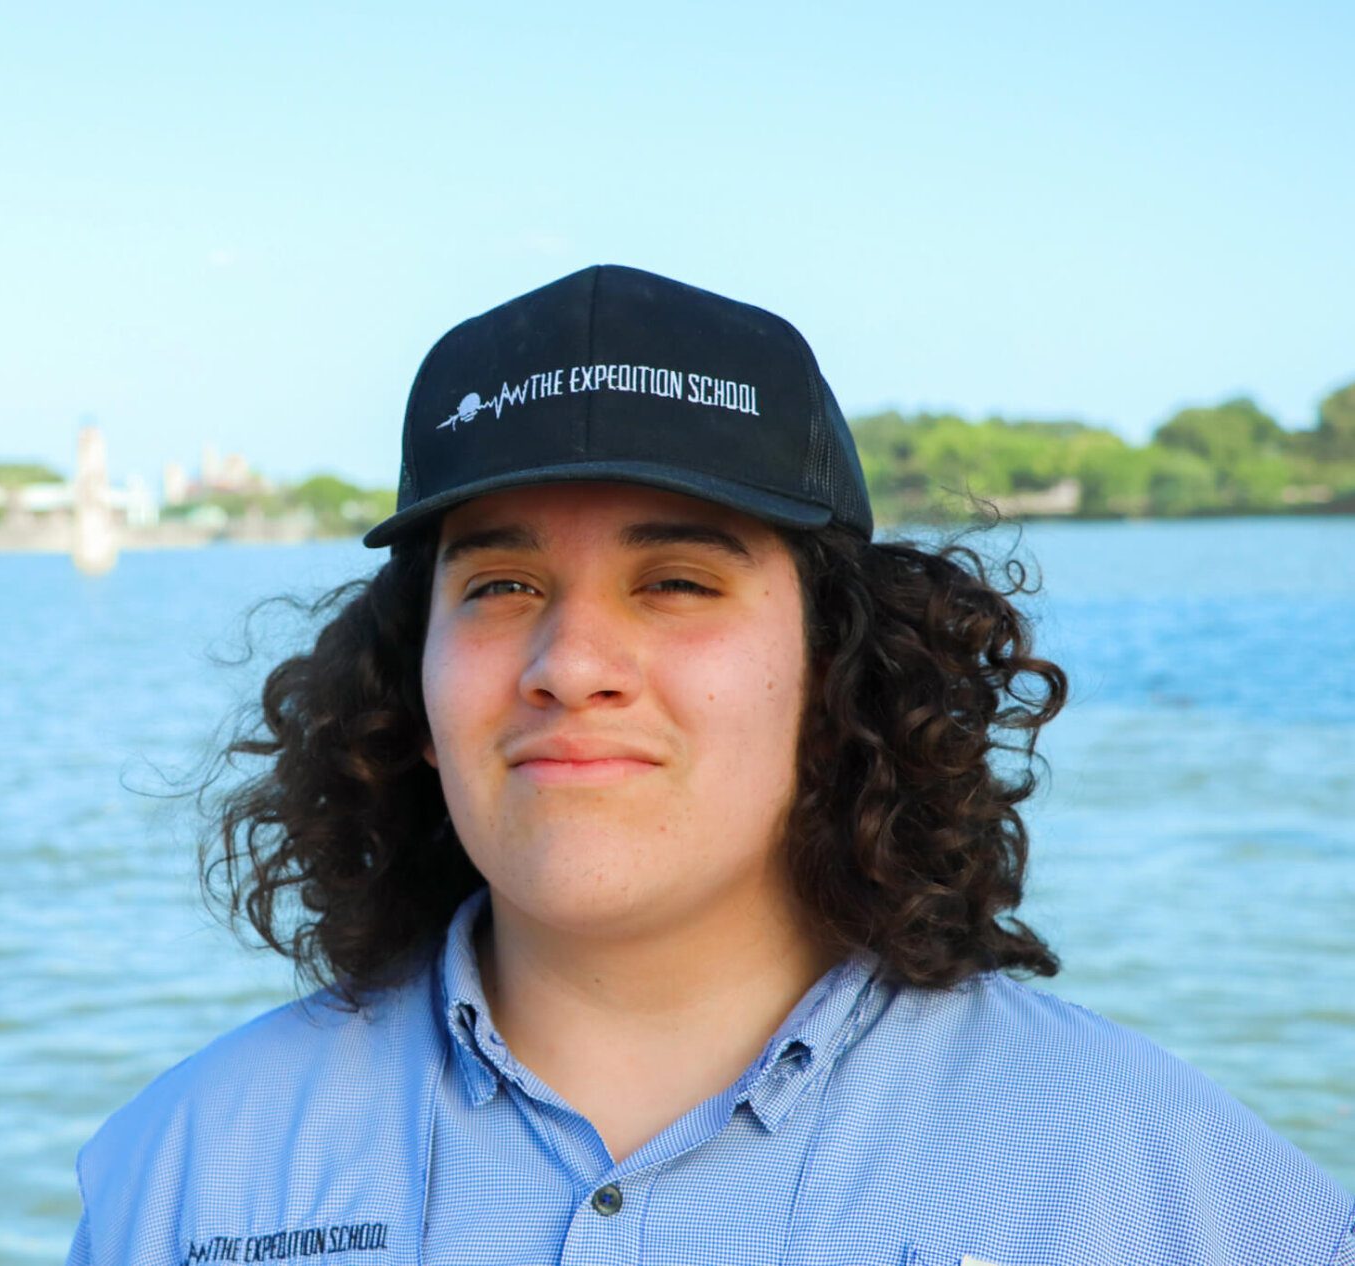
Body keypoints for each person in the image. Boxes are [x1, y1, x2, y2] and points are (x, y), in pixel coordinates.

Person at [67, 266, 1354, 1264]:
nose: (572, 664)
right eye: (502, 585)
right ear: (410, 681)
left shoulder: (1167, 1186)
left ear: (837, 670)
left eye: (676, 581)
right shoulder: (183, 1176)